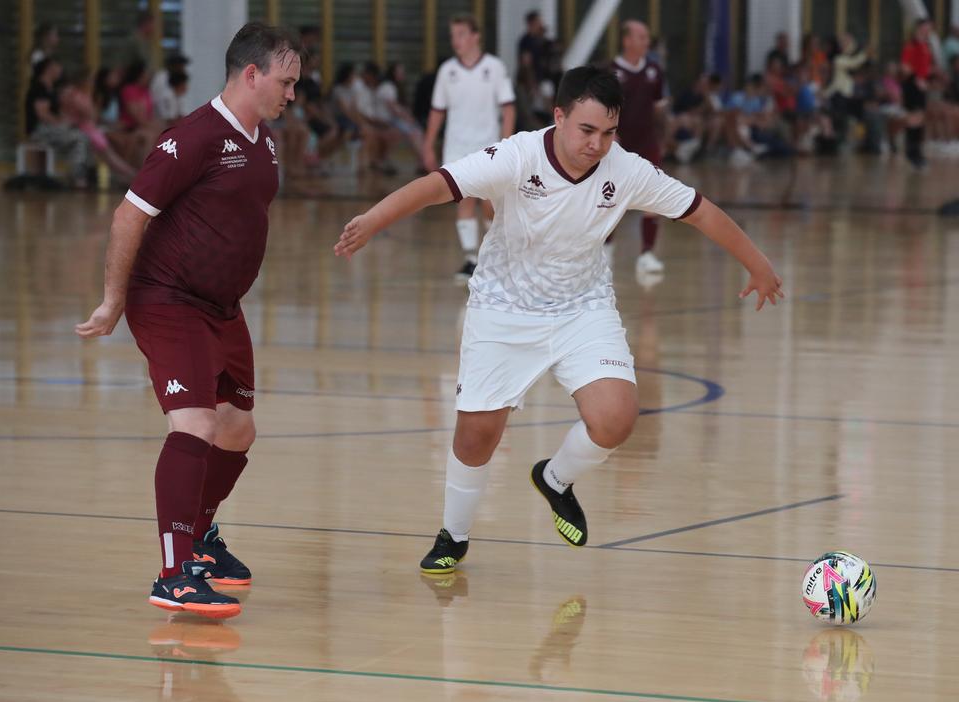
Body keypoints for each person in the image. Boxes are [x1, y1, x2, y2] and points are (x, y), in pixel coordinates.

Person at [334, 66, 783, 573]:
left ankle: (555, 478)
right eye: (587, 130)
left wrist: (757, 262)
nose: (598, 144)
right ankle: (453, 536)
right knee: (478, 435)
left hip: (581, 307)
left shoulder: (626, 170)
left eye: (609, 133)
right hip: (503, 307)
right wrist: (372, 220)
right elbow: (438, 186)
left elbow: (700, 211)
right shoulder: (517, 156)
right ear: (560, 117)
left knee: (616, 417)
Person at [75, 23, 302, 619]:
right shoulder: (193, 137)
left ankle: (199, 540)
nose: (292, 94)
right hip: (169, 299)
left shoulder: (263, 139)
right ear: (251, 75)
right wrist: (112, 300)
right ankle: (173, 574)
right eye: (286, 82)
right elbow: (130, 216)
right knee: (196, 423)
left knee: (236, 429)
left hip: (222, 310)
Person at [423, 14, 515, 282]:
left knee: (490, 205)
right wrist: (428, 143)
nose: (456, 41)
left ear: (475, 36)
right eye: (453, 36)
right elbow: (437, 111)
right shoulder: (446, 71)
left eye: (461, 34)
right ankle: (470, 259)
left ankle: (494, 257)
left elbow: (508, 109)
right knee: (463, 201)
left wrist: (505, 144)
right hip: (456, 148)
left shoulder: (495, 68)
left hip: (488, 149)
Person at [610, 20, 668, 276]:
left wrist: (663, 139)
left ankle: (646, 254)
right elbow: (603, 110)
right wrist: (610, 136)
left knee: (652, 197)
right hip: (617, 145)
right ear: (627, 40)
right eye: (641, 36)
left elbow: (658, 109)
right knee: (609, 198)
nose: (646, 41)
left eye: (647, 37)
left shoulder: (654, 70)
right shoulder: (610, 72)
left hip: (647, 142)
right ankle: (604, 253)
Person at [25, 57, 92, 188]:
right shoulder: (39, 87)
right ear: (50, 68)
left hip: (52, 129)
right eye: (58, 66)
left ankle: (78, 175)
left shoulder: (52, 88)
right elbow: (42, 114)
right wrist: (61, 123)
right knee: (80, 138)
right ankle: (78, 178)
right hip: (41, 130)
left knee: (81, 136)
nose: (60, 70)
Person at [901, 18, 935, 168]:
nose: (928, 30)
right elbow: (905, 67)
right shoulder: (911, 45)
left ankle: (917, 152)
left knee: (920, 118)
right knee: (913, 118)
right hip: (913, 86)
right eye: (926, 27)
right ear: (919, 28)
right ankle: (911, 153)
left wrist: (927, 78)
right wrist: (917, 79)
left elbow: (927, 66)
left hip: (922, 85)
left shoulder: (926, 45)